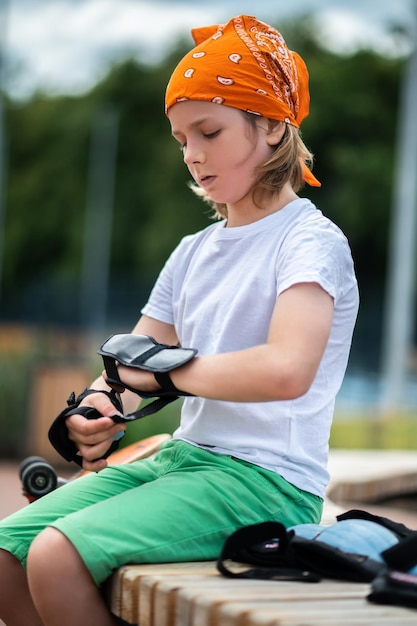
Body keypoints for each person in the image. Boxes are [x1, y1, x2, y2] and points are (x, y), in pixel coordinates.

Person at [0, 14, 359, 626]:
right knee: (9, 558)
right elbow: (130, 360)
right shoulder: (194, 250)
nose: (192, 155)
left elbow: (286, 370)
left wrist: (166, 377)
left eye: (209, 132)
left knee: (56, 559)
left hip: (265, 482)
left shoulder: (309, 241)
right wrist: (93, 409)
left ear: (273, 124)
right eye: (181, 139)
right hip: (184, 458)